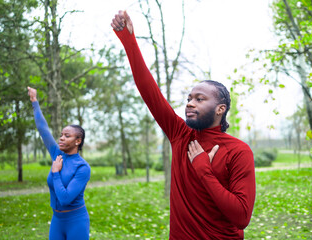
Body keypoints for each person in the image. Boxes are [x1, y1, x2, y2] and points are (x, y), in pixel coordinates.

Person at [111, 11, 256, 239]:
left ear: (221, 109)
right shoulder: (180, 134)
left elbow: (242, 217)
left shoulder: (238, 151)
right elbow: (149, 91)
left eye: (199, 99)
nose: (190, 103)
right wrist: (128, 40)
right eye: (189, 98)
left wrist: (204, 171)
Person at [27, 87, 91, 240]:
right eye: (61, 135)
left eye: (67, 136)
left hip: (76, 221)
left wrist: (56, 172)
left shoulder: (83, 167)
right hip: (57, 220)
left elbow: (65, 198)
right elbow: (43, 129)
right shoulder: (57, 153)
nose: (61, 138)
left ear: (78, 141)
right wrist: (34, 101)